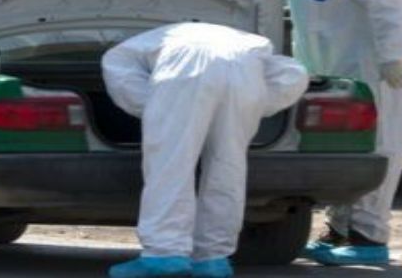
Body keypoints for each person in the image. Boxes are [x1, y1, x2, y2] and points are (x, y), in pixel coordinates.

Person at [247, 0, 402, 266]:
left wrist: (393, 56)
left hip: (375, 71)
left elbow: (389, 4)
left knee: (379, 148)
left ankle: (370, 235)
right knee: (344, 152)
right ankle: (339, 231)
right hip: (334, 75)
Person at [102, 22, 309, 278]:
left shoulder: (127, 50)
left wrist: (155, 109)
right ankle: (213, 258)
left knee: (170, 165)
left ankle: (164, 254)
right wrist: (260, 105)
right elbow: (294, 72)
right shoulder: (243, 39)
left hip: (184, 70)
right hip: (244, 68)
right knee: (228, 166)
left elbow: (122, 78)